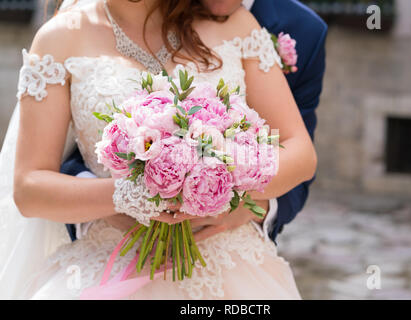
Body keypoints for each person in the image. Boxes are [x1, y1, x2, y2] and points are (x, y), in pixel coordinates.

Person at [0, 0, 317, 299]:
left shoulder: (235, 26)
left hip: (230, 265)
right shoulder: (60, 39)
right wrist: (128, 196)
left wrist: (221, 186)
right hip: (111, 262)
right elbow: (30, 187)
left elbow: (299, 152)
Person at [63, 0, 328, 245]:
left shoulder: (300, 30)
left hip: (226, 245)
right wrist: (123, 197)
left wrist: (237, 201)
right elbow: (67, 154)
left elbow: (298, 153)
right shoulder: (74, 33)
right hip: (111, 239)